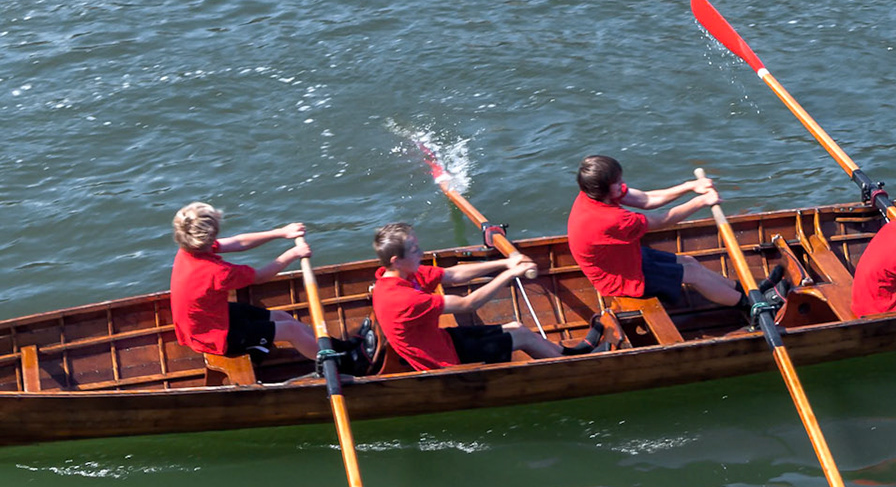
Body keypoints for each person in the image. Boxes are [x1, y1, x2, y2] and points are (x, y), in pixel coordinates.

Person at [371, 222, 609, 371]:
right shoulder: (401, 298)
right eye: (415, 250)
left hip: (440, 340)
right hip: (441, 361)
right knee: (523, 339)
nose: (421, 253)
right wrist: (510, 274)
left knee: (517, 327)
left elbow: (453, 274)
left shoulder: (397, 274)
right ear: (396, 260)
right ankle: (574, 368)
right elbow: (469, 303)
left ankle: (574, 354)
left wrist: (506, 262)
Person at [566, 155, 742, 308]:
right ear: (602, 188)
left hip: (623, 259)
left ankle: (738, 289)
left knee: (689, 261)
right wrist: (701, 201)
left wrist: (690, 186)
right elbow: (662, 221)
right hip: (620, 280)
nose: (623, 184)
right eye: (618, 182)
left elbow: (647, 199)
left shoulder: (592, 194)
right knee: (694, 274)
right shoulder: (613, 219)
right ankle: (748, 305)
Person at [169, 202, 320, 360]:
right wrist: (294, 253)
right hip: (216, 339)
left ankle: (328, 346)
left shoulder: (188, 250)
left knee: (283, 317)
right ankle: (332, 362)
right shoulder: (219, 272)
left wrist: (281, 233)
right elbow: (261, 277)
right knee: (291, 330)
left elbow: (238, 242)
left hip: (207, 320)